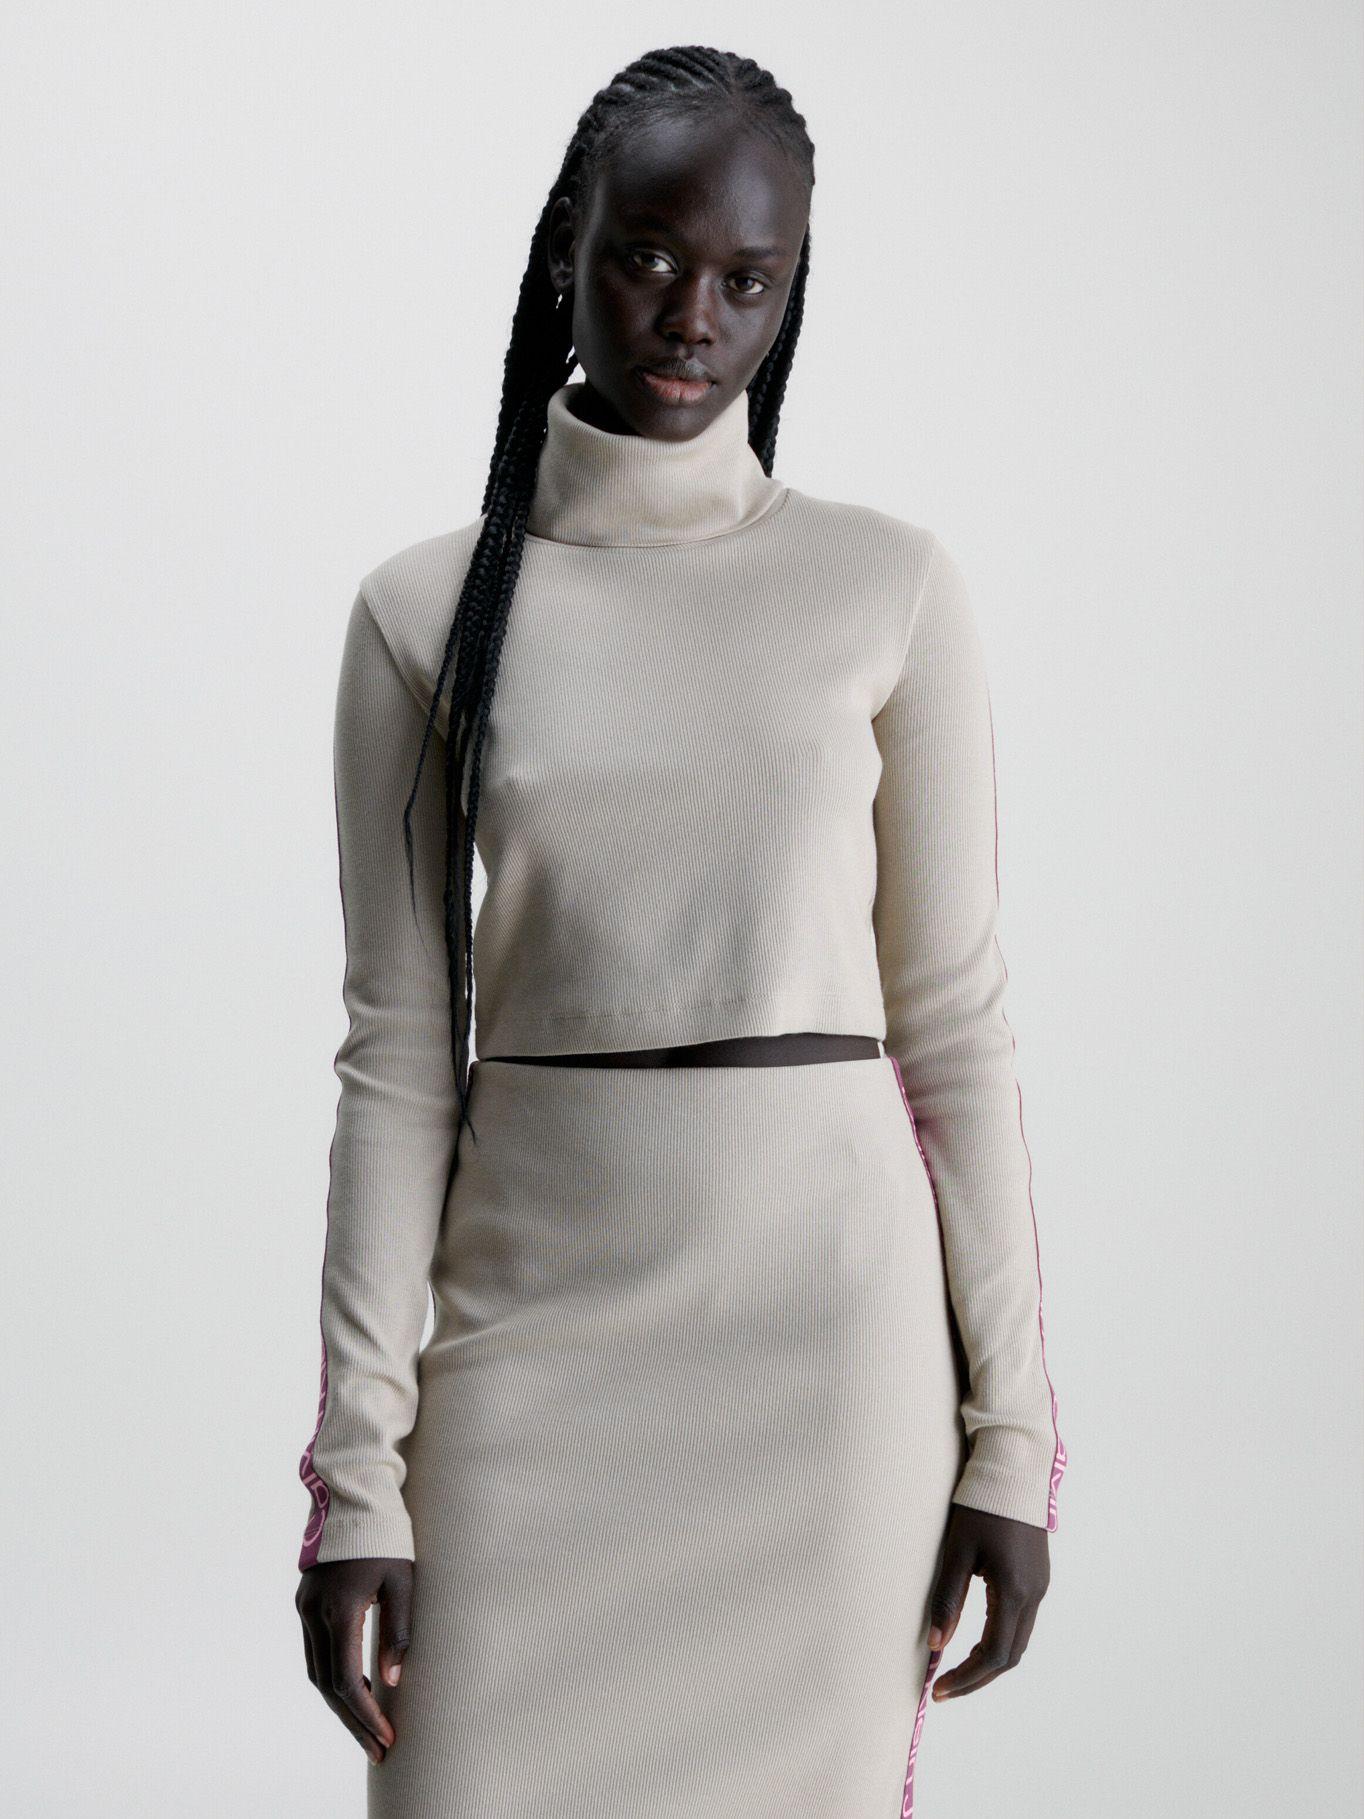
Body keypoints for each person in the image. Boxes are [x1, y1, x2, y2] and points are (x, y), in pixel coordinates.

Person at [293, 43, 1066, 1819]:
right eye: (647, 256)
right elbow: (399, 1062)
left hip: (826, 1365)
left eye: (748, 280)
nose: (692, 318)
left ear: (793, 294)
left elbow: (956, 1031)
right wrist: (360, 1477)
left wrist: (1011, 1444)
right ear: (568, 246)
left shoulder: (887, 587)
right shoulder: (424, 615)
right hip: (533, 1336)